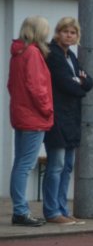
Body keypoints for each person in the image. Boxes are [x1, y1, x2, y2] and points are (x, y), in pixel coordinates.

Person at [43, 17, 93, 225]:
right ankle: (52, 211)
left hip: (72, 118)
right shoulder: (53, 55)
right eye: (65, 31)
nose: (69, 36)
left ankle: (63, 209)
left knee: (67, 167)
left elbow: (89, 81)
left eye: (73, 33)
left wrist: (81, 82)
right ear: (58, 33)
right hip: (57, 117)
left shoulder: (71, 56)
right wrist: (79, 83)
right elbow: (66, 84)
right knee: (56, 165)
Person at [7, 16, 54, 227]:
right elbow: (37, 87)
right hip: (34, 117)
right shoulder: (33, 53)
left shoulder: (18, 53)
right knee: (25, 165)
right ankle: (20, 211)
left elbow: (11, 85)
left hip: (21, 114)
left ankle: (20, 209)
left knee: (20, 164)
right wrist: (47, 109)